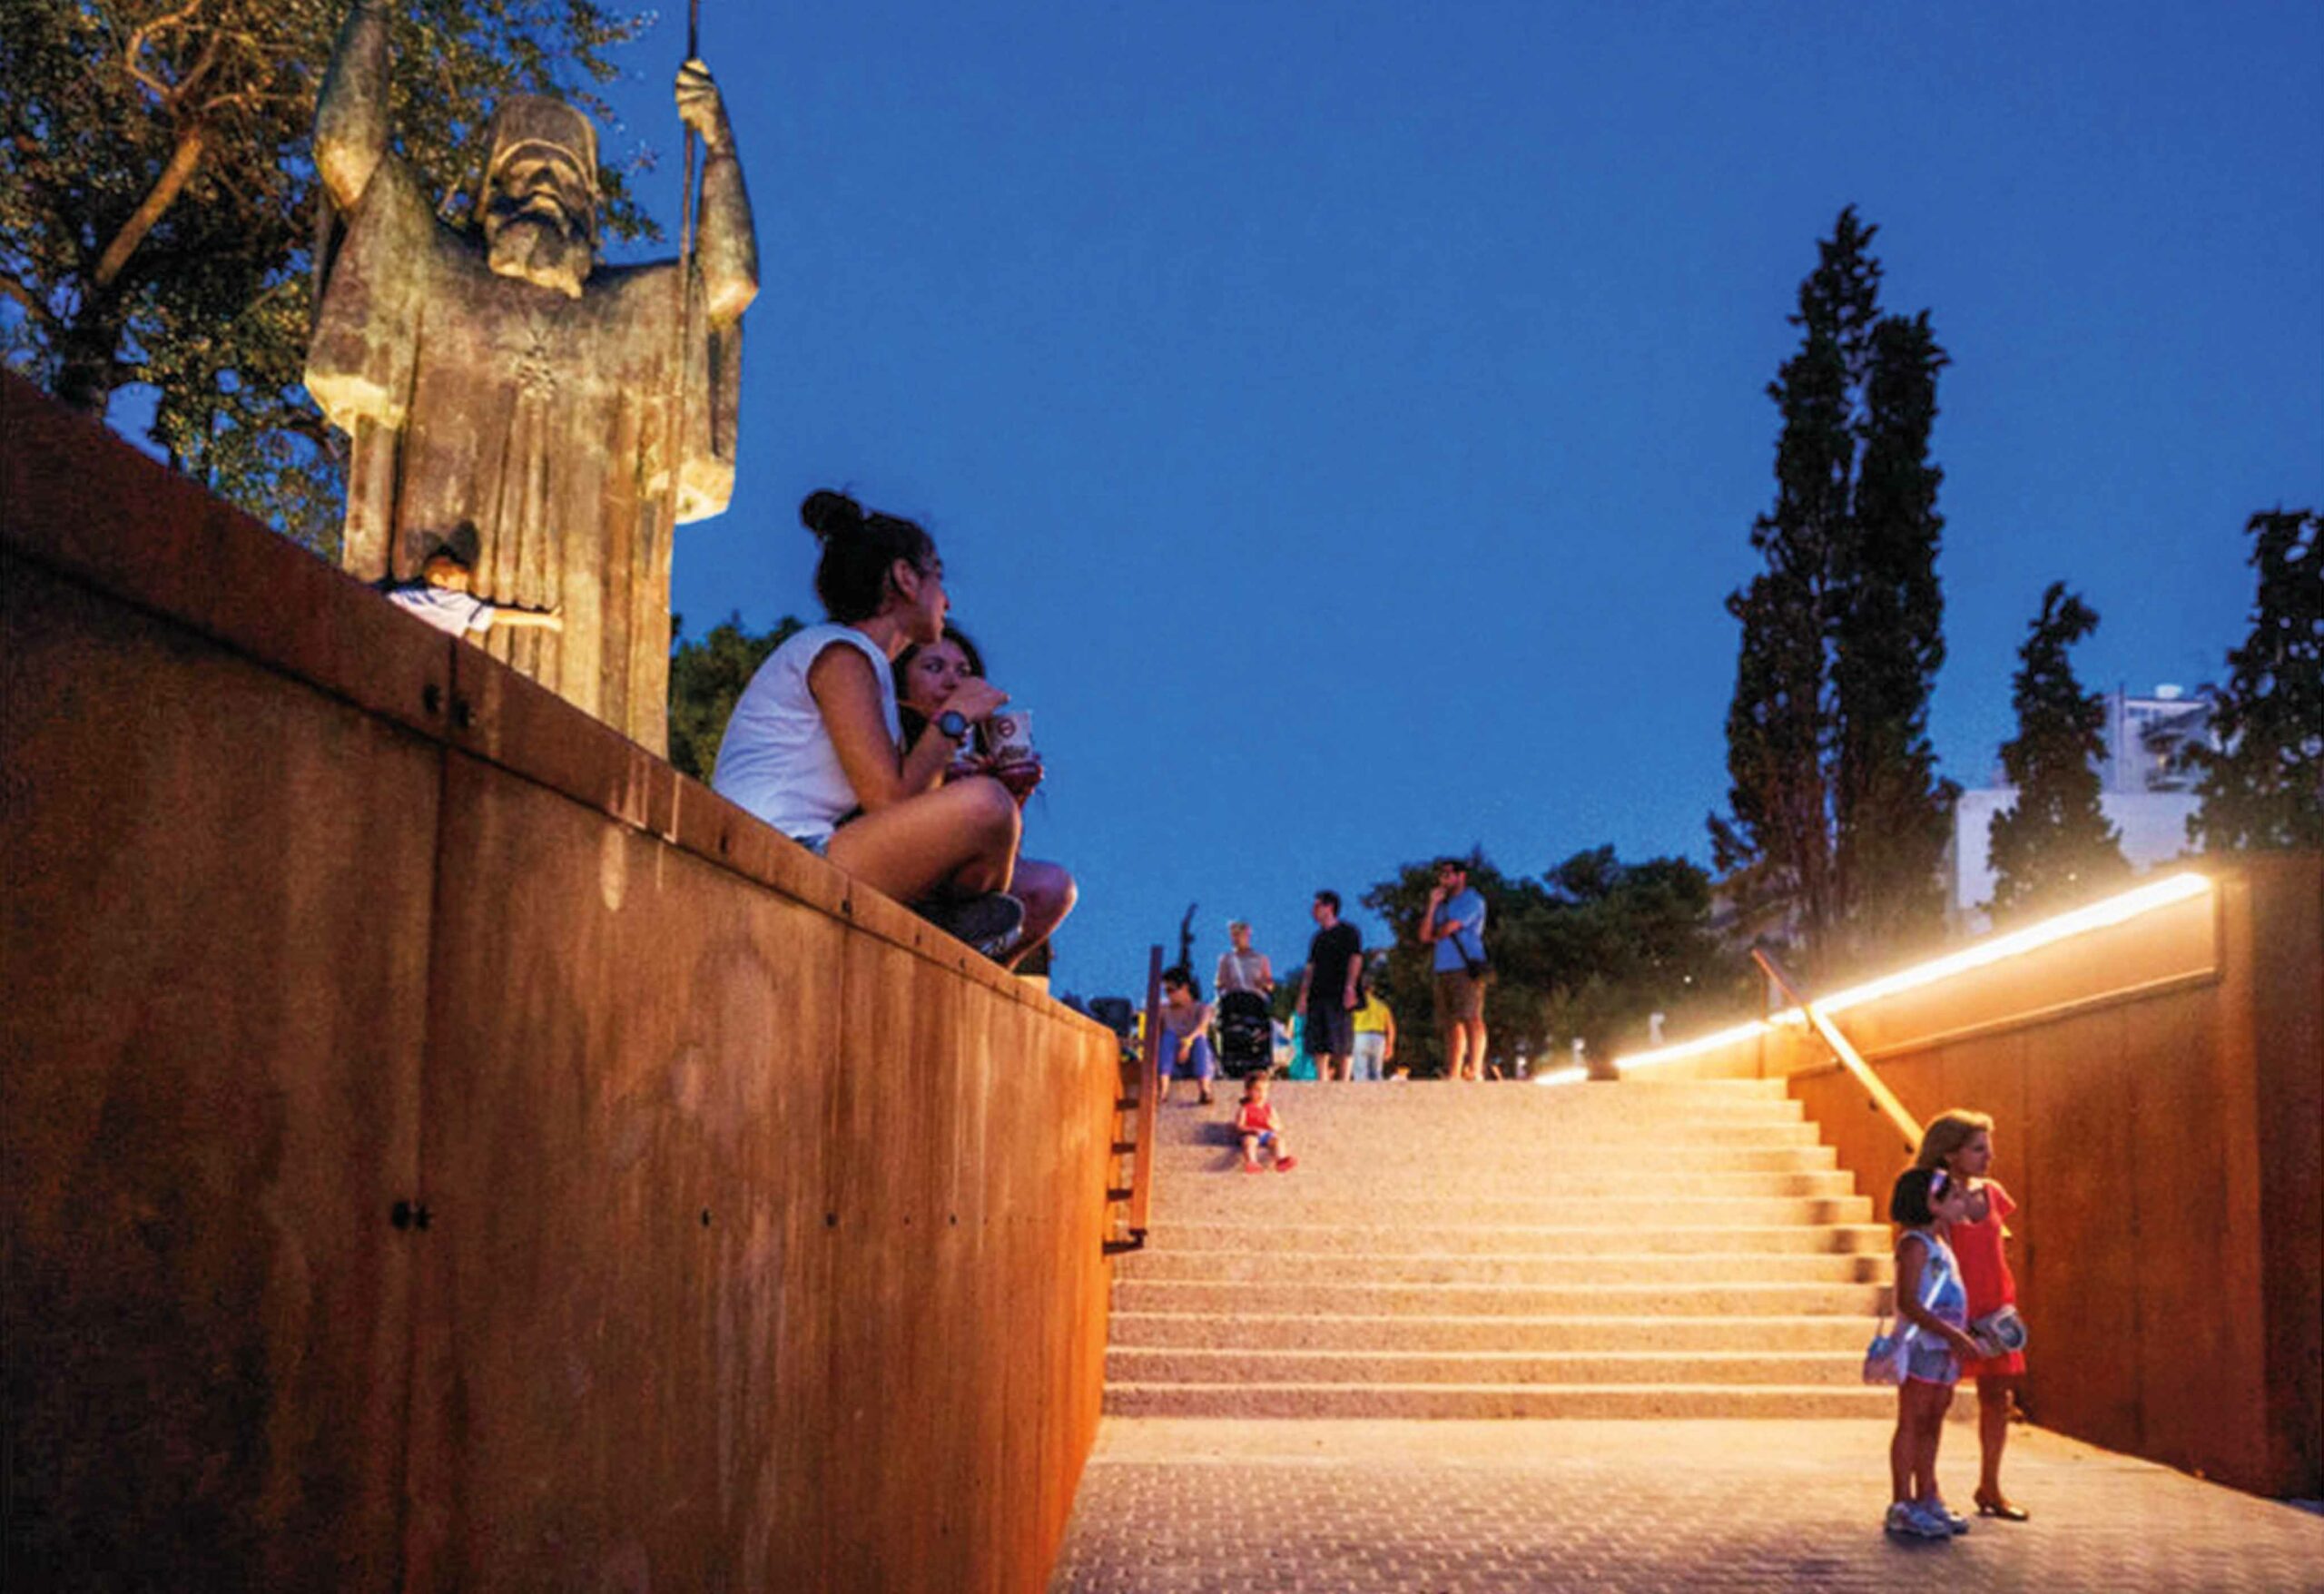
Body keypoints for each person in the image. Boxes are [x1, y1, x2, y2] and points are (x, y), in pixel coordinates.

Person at [306, 0, 758, 752]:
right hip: (438, 611)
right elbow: (347, 152)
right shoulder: (435, 267)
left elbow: (727, 285)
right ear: (489, 194)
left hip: (581, 643)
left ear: (591, 210)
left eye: (566, 177)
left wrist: (719, 148)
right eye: (525, 170)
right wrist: (373, 14)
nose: (546, 184)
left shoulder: (628, 312)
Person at [713, 491, 1025, 954]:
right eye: (938, 578)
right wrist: (954, 716)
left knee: (1034, 879)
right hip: (774, 853)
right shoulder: (840, 655)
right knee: (988, 806)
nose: (947, 601)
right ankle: (936, 927)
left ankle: (940, 926)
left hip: (814, 850)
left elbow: (906, 802)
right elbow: (887, 801)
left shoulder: (869, 667)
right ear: (906, 578)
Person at [893, 625, 1077, 967]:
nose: (953, 682)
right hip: (896, 865)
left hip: (964, 885)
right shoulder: (891, 728)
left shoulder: (971, 745)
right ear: (902, 679)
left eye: (963, 672)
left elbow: (1000, 865)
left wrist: (1012, 797)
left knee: (1052, 886)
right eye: (934, 668)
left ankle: (986, 978)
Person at [1917, 1109, 2030, 1521]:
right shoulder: (1935, 1196)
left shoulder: (1993, 1193)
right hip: (1953, 1309)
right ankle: (1927, 1491)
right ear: (1950, 1154)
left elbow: (1998, 1243)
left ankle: (1991, 1487)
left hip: (1995, 1310)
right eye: (1978, 1149)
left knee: (1997, 1397)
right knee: (1936, 1400)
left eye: (1988, 1148)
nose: (1989, 1157)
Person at [1885, 1166, 1983, 1540]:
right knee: (1913, 1419)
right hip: (1924, 1344)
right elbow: (1908, 1301)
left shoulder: (1941, 1243)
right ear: (1931, 1204)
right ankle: (1901, 1502)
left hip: (1944, 1347)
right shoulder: (1913, 1246)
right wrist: (1950, 1332)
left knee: (1933, 1420)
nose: (1962, 1203)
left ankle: (1927, 1494)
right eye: (1953, 1196)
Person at [383, 535, 563, 639]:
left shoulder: (405, 594)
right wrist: (544, 620)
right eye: (460, 582)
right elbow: (499, 616)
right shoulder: (457, 602)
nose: (464, 589)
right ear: (439, 580)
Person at [1419, 858, 1488, 1081]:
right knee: (1450, 1022)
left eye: (1448, 874)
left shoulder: (1472, 900)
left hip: (1465, 965)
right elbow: (1425, 935)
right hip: (1443, 966)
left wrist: (1437, 932)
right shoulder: (1442, 905)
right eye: (1442, 875)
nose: (1444, 879)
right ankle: (1454, 1071)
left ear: (1461, 876)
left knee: (1471, 1017)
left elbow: (1448, 928)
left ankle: (1475, 1069)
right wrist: (1432, 905)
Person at [1296, 890, 1363, 1081]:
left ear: (1329, 907)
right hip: (1318, 993)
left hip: (1339, 992)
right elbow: (1310, 967)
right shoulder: (1318, 938)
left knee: (1342, 1037)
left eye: (1318, 906)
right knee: (1318, 1039)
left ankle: (1345, 1079)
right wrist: (1303, 995)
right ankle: (1322, 1078)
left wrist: (1350, 987)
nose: (1314, 910)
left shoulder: (1348, 932)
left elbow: (1355, 958)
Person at [1156, 966, 1216, 1107]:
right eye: (1166, 991)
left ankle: (1205, 1090)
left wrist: (1187, 1043)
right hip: (1173, 1063)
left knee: (1200, 1040)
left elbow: (1202, 1028)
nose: (1168, 996)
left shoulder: (1202, 1008)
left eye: (1171, 990)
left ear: (1184, 988)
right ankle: (1163, 1090)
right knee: (1169, 1037)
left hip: (1197, 1060)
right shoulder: (1164, 1011)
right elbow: (1157, 1035)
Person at [1235, 1074, 1295, 1173]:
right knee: (1250, 1142)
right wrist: (1252, 1129)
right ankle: (1252, 1162)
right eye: (1257, 1090)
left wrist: (1273, 1125)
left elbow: (1280, 1126)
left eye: (1265, 1090)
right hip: (1251, 1134)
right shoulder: (1245, 1108)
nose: (1262, 1094)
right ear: (1247, 1092)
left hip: (1267, 1134)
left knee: (1278, 1140)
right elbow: (1239, 1126)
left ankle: (1281, 1159)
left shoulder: (1269, 1108)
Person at [1350, 981, 1396, 1083]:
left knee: (1360, 1072)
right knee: (1376, 1072)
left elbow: (1350, 1022)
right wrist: (1390, 1045)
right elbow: (1390, 1027)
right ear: (1372, 989)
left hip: (1360, 1036)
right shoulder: (1382, 1006)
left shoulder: (1356, 1005)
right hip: (1378, 1038)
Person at [1215, 921, 1274, 999]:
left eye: (1238, 934)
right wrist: (1224, 985)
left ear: (1247, 935)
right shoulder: (1226, 959)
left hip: (1254, 999)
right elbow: (1219, 984)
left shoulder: (1261, 959)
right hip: (1233, 998)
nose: (1235, 938)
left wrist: (1262, 983)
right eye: (1233, 935)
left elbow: (1270, 985)